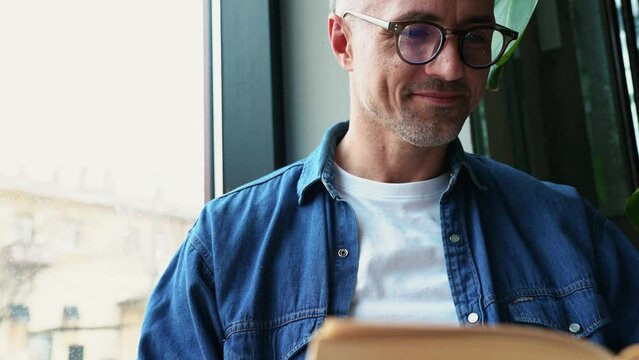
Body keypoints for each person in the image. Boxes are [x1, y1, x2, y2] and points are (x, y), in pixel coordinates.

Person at [138, 0, 639, 358]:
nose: (450, 67)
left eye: (476, 38)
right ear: (343, 42)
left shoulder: (568, 228)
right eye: (415, 33)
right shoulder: (226, 244)